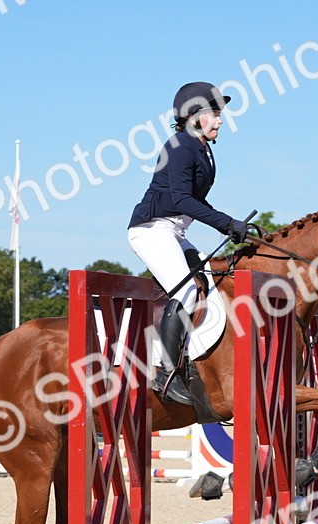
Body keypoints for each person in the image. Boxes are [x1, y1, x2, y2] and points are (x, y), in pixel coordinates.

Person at [127, 81, 251, 404]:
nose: (221, 120)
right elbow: (182, 199)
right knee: (185, 290)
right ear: (196, 116)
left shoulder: (203, 150)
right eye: (215, 114)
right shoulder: (179, 146)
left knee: (207, 282)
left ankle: (193, 359)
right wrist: (226, 223)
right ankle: (166, 373)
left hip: (174, 231)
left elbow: (196, 203)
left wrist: (235, 227)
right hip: (151, 229)